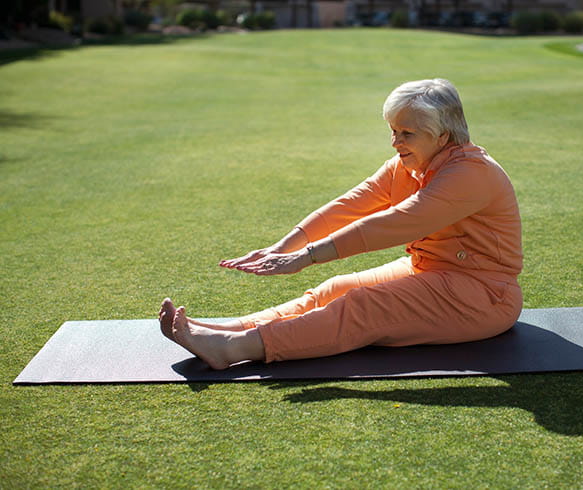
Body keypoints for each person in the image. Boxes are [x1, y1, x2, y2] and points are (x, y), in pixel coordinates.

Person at [159, 78, 523, 370]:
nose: (395, 142)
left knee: (364, 306)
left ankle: (232, 348)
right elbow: (350, 204)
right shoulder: (408, 164)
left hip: (484, 296)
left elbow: (398, 222)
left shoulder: (471, 174)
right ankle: (228, 328)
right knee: (334, 289)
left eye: (406, 134)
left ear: (442, 136)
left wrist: (307, 256)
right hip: (427, 270)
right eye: (394, 131)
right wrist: (284, 247)